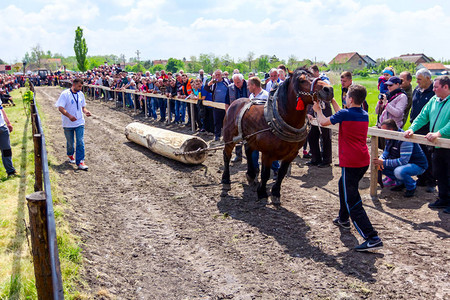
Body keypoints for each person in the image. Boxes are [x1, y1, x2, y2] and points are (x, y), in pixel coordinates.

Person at [314, 84, 383, 252]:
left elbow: (323, 122)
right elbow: (341, 114)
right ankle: (343, 219)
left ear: (350, 99)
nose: (345, 100)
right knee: (343, 186)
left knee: (352, 200)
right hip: (361, 161)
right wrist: (332, 100)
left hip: (351, 162)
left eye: (346, 97)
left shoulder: (346, 114)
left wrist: (317, 109)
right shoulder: (363, 114)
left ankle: (371, 237)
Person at [405, 75, 450, 214]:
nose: (434, 89)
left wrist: (438, 133)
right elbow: (423, 115)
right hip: (437, 145)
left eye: (436, 87)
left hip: (447, 145)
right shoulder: (434, 100)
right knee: (439, 173)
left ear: (446, 87)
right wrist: (413, 128)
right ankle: (443, 199)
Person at [373, 119, 428, 197]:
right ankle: (401, 183)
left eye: (384, 131)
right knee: (381, 167)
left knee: (398, 171)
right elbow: (386, 152)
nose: (383, 134)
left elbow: (403, 161)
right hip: (405, 163)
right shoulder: (389, 137)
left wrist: (383, 162)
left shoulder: (404, 139)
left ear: (391, 130)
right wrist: (381, 160)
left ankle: (411, 186)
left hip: (417, 165)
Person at [247, 77, 280, 179]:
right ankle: (255, 170)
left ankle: (276, 170)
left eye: (249, 85)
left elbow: (272, 112)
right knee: (253, 152)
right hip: (254, 130)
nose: (248, 87)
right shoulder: (251, 96)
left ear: (254, 85)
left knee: (270, 151)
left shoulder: (266, 96)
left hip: (266, 129)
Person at [56, 78, 91, 170]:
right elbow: (60, 108)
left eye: (81, 86)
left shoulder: (81, 94)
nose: (80, 88)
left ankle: (80, 162)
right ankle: (70, 154)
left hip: (79, 122)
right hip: (68, 123)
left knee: (80, 141)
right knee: (70, 142)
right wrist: (69, 116)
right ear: (74, 84)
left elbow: (83, 107)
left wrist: (86, 112)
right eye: (79, 86)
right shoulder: (65, 94)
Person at [410, 68, 436, 192]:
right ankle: (421, 177)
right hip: (416, 128)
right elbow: (413, 106)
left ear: (427, 78)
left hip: (428, 130)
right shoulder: (417, 90)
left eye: (419, 79)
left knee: (429, 156)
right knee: (418, 155)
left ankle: (431, 181)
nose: (417, 82)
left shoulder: (434, 92)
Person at [306, 66, 332, 168]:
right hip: (314, 110)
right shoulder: (311, 83)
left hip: (324, 109)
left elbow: (322, 97)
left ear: (317, 72)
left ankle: (326, 159)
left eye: (312, 73)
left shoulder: (323, 81)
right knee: (312, 135)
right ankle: (315, 157)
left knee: (325, 135)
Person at [226, 73, 249, 162]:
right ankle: (238, 155)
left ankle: (249, 156)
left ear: (243, 81)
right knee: (237, 135)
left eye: (238, 82)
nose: (236, 84)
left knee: (248, 136)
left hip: (247, 115)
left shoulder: (249, 86)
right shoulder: (230, 88)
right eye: (235, 82)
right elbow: (227, 102)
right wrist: (228, 115)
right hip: (236, 115)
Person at [206, 69, 229, 141]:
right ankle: (217, 135)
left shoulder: (226, 82)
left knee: (226, 121)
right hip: (216, 105)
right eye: (216, 75)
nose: (217, 76)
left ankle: (226, 136)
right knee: (217, 121)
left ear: (222, 75)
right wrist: (210, 83)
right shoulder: (214, 84)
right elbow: (206, 88)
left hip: (226, 105)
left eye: (219, 74)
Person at [0, 102, 16, 177]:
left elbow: (1, 109)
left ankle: (10, 171)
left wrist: (8, 123)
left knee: (6, 150)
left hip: (2, 128)